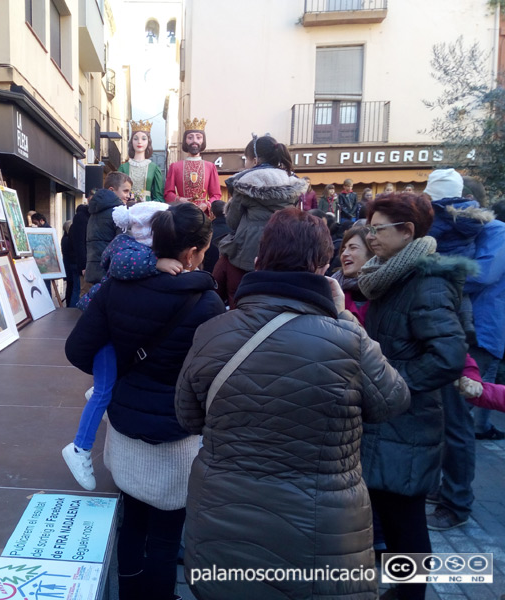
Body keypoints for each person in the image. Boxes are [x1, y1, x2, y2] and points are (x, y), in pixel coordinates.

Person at [177, 208, 409, 600]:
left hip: (223, 518)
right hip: (323, 536)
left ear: (257, 261)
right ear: (322, 268)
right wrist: (345, 317)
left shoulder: (212, 332)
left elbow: (187, 415)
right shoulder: (347, 341)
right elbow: (393, 401)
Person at [65, 203, 224, 600]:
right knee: (168, 535)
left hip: (124, 427)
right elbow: (213, 376)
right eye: (204, 251)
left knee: (132, 522)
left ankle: (130, 592)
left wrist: (116, 373)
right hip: (178, 436)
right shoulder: (206, 303)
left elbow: (78, 349)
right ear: (191, 254)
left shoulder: (118, 286)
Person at [358, 193, 468, 600]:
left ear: (407, 232)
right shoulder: (391, 274)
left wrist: (391, 380)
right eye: (368, 228)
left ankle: (409, 595)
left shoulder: (426, 282)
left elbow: (449, 356)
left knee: (406, 521)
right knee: (391, 513)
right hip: (389, 419)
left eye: (378, 229)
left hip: (408, 420)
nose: (370, 237)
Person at [63, 202, 179, 490]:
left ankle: (98, 396)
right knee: (104, 389)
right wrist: (157, 263)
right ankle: (79, 448)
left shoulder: (135, 248)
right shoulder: (126, 248)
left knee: (107, 385)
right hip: (104, 332)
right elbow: (122, 266)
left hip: (113, 330)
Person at [424, 169, 505, 533]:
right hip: (450, 326)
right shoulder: (452, 233)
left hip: (477, 333)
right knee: (442, 415)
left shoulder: (496, 233)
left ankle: (456, 503)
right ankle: (443, 488)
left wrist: (427, 265)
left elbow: (480, 275)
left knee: (458, 419)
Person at [215, 134, 305, 307]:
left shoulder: (244, 184)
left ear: (255, 160)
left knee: (240, 297)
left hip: (247, 251)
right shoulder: (292, 183)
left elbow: (232, 222)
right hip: (286, 248)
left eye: (246, 159)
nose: (245, 163)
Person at [163, 117, 221, 215]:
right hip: (182, 214)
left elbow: (216, 194)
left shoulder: (210, 167)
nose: (194, 141)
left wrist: (206, 204)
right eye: (190, 137)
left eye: (198, 137)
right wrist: (180, 199)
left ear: (203, 140)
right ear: (185, 140)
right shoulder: (175, 167)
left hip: (203, 215)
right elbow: (168, 194)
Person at [85, 172, 132, 286]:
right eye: (125, 191)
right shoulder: (119, 212)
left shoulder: (95, 212)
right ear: (112, 190)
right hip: (110, 271)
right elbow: (125, 245)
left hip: (94, 270)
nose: (128, 196)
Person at [332, 224, 374, 323]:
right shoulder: (333, 290)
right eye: (343, 249)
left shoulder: (385, 291)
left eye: (353, 248)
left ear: (371, 253)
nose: (344, 254)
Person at [118, 120, 165, 202]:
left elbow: (158, 195)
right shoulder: (123, 168)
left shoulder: (154, 168)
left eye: (143, 139)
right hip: (128, 206)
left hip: (147, 207)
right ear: (131, 142)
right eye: (136, 139)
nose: (139, 142)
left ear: (148, 142)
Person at [70, 202, 90, 296]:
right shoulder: (81, 218)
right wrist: (83, 265)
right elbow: (79, 243)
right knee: (84, 291)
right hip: (86, 264)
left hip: (91, 263)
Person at [60, 220, 79, 308]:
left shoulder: (65, 238)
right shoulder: (69, 239)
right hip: (71, 264)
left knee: (70, 286)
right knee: (74, 287)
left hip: (67, 264)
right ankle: (71, 306)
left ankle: (69, 304)